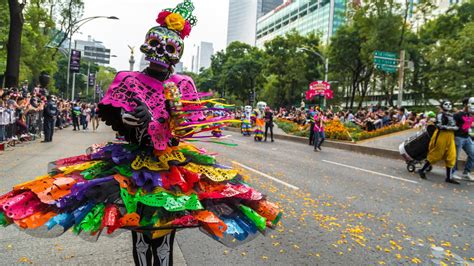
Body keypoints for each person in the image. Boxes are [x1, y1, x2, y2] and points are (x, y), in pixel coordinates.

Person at [0, 3, 281, 266]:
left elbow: (188, 127)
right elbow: (115, 114)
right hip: (133, 161)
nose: (160, 52)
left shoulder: (183, 83)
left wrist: (173, 113)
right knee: (141, 230)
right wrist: (130, 119)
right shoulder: (128, 79)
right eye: (156, 44)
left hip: (171, 165)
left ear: (177, 53)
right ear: (148, 45)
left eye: (169, 47)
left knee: (164, 232)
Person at [417, 100, 459, 184]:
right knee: (436, 154)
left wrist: (454, 128)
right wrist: (452, 128)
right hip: (441, 136)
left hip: (450, 137)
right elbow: (439, 126)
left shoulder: (451, 115)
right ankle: (422, 170)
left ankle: (449, 177)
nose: (448, 105)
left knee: (452, 155)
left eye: (450, 103)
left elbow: (455, 125)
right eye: (446, 104)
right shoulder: (440, 114)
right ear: (442, 106)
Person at [453, 97, 474, 181]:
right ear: (465, 104)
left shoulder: (470, 114)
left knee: (473, 154)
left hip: (467, 137)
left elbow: (469, 124)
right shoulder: (458, 114)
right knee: (455, 156)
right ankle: (452, 173)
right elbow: (452, 124)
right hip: (458, 137)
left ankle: (466, 173)